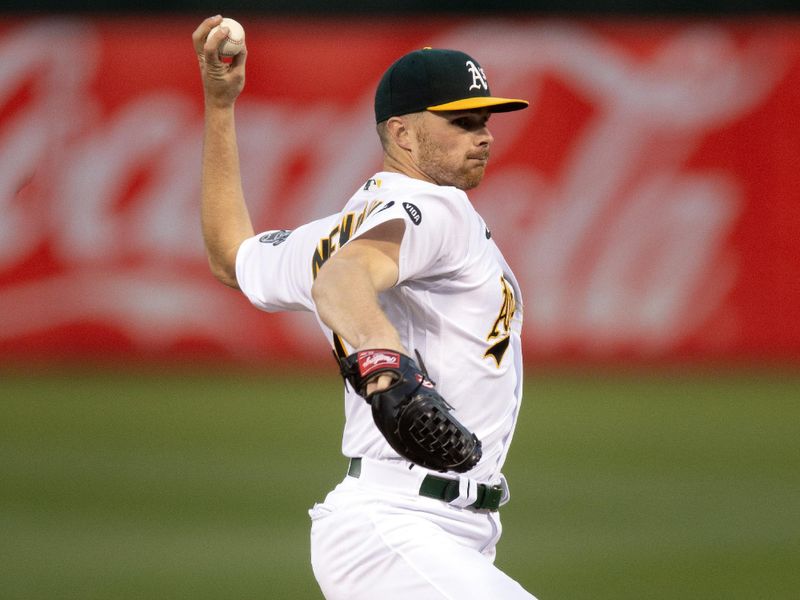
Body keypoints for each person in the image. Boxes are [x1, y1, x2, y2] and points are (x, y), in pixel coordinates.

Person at [193, 15, 537, 600]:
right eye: (460, 121)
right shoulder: (434, 208)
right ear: (402, 135)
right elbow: (342, 282)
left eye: (484, 120)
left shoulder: (349, 226)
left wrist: (220, 107)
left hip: (432, 529)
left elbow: (233, 258)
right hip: (398, 526)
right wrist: (387, 370)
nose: (483, 135)